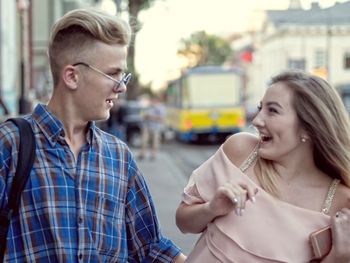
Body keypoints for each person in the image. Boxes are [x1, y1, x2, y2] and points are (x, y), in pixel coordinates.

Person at [0, 8, 186, 262]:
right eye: (112, 74)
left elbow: (150, 248)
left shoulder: (119, 157)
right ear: (72, 76)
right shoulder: (10, 145)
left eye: (123, 75)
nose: (121, 87)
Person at [176, 70, 350, 262]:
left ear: (308, 127)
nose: (257, 120)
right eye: (260, 108)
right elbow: (183, 223)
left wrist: (339, 256)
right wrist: (211, 209)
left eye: (273, 110)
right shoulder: (240, 151)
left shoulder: (341, 201)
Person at [139, 95, 166, 160]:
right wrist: (145, 116)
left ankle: (153, 155)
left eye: (154, 100)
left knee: (155, 142)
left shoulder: (161, 107)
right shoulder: (148, 107)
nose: (152, 101)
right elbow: (142, 115)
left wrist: (151, 116)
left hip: (156, 128)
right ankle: (143, 154)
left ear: (157, 100)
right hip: (146, 126)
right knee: (144, 141)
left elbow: (162, 118)